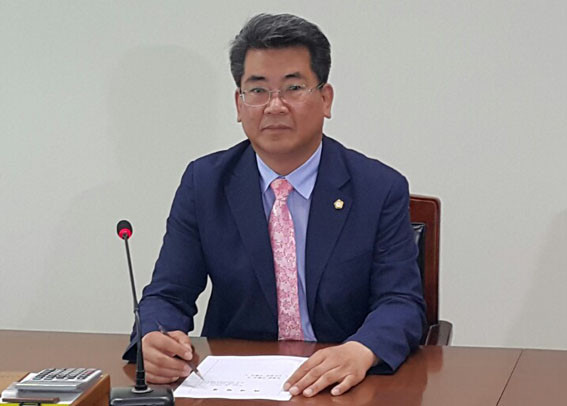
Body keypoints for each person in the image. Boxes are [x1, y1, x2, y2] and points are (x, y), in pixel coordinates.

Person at [123, 13, 426, 397]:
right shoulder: (205, 183)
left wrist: (361, 350)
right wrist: (154, 337)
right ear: (239, 104)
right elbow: (168, 294)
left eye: (294, 87)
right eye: (258, 90)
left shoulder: (378, 188)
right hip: (234, 388)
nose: (275, 105)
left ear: (326, 99)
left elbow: (401, 301)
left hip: (342, 386)